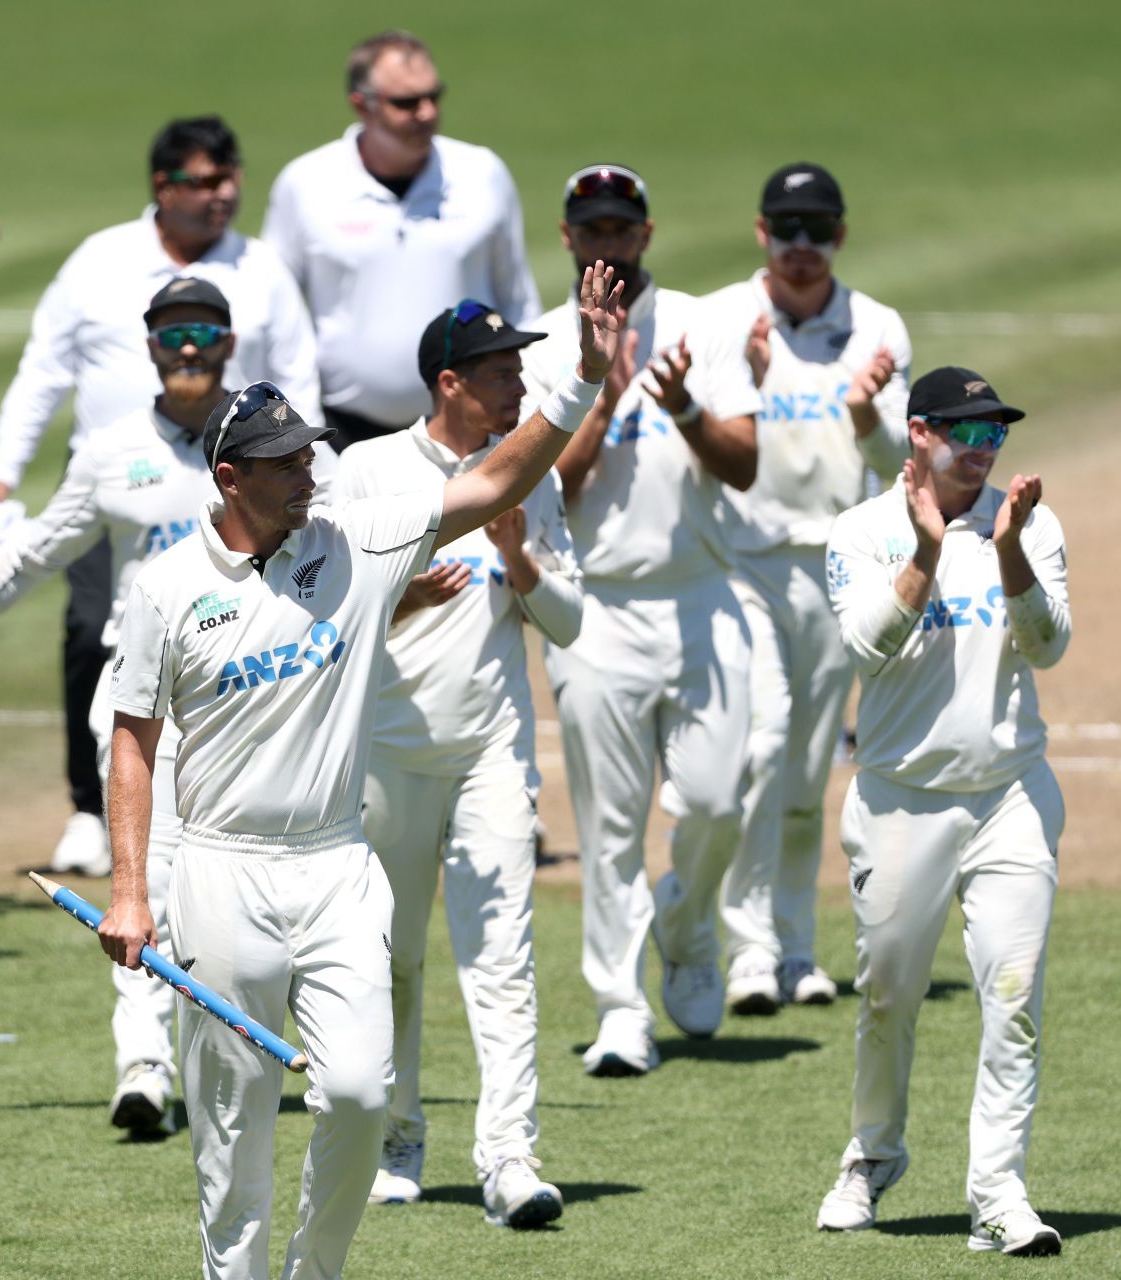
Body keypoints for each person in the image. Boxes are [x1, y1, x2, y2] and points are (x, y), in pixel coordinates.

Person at [95, 265, 624, 1280]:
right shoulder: (165, 590)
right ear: (230, 477)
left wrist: (582, 380)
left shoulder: (357, 540)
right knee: (235, 1114)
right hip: (221, 872)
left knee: (355, 1091)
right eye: (284, 462)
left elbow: (497, 479)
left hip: (337, 865)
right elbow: (131, 737)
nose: (308, 473)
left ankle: (315, 1268)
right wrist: (129, 889)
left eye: (308, 455)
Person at [0, 279, 323, 1139]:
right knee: (147, 884)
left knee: (256, 891)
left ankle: (249, 1054)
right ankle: (142, 1064)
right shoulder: (109, 452)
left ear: (228, 343)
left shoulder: (269, 447)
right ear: (147, 346)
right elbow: (26, 558)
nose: (189, 347)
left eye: (206, 332)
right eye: (173, 332)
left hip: (263, 698)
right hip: (147, 700)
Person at [0, 114, 321, 882]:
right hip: (109, 487)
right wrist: (1, 474)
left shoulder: (262, 268)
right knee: (89, 636)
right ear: (162, 188)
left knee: (242, 637)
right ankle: (89, 809)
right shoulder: (99, 260)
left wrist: (309, 476)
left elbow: (301, 381)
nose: (221, 195)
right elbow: (44, 373)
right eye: (202, 181)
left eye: (229, 179)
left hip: (232, 488)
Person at [336, 300, 582, 1226]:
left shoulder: (530, 477)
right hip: (386, 758)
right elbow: (320, 612)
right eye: (502, 373)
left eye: (520, 370)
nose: (519, 385)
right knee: (389, 959)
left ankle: (509, 1157)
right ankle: (400, 1138)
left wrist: (521, 566)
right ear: (450, 383)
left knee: (502, 957)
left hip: (491, 756)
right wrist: (396, 600)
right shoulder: (366, 472)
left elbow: (573, 624)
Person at [817, 368, 1067, 1258]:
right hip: (899, 801)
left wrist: (1008, 551)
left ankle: (999, 1195)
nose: (983, 446)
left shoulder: (1028, 523)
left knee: (1015, 998)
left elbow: (1050, 646)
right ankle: (873, 1157)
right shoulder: (861, 532)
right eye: (966, 430)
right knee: (888, 996)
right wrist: (926, 554)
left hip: (1011, 799)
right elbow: (866, 650)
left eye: (994, 433)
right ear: (918, 433)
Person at [520, 165, 762, 1075]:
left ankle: (690, 929)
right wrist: (604, 388)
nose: (608, 243)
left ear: (646, 234)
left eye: (622, 228)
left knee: (712, 799)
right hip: (598, 604)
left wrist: (685, 408)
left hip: (702, 593)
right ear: (568, 236)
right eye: (593, 229)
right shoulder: (543, 344)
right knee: (610, 822)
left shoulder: (707, 323)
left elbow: (742, 465)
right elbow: (550, 484)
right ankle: (621, 1007)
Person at [703, 163, 913, 1014]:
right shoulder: (723, 317)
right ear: (761, 233)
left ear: (840, 235)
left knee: (805, 770)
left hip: (837, 562)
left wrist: (868, 416)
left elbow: (904, 466)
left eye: (817, 230)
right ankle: (747, 948)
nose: (801, 247)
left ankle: (794, 949)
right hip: (742, 559)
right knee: (763, 744)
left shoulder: (876, 327)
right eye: (786, 229)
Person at [262, 30, 541, 452]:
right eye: (406, 103)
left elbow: (518, 299)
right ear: (361, 104)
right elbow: (276, 315)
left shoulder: (483, 174)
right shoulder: (305, 184)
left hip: (472, 427)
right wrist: (298, 432)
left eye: (434, 96)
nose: (427, 113)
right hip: (345, 435)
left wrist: (529, 405)